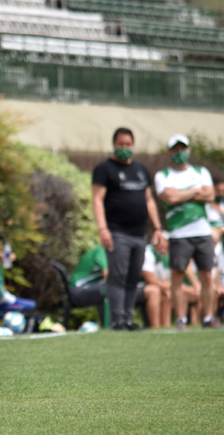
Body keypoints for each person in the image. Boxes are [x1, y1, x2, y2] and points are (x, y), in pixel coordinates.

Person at [92, 127, 162, 330]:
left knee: (133, 278)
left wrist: (157, 228)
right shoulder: (105, 169)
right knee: (118, 276)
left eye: (128, 145)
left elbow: (149, 201)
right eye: (121, 145)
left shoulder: (140, 170)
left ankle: (128, 319)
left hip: (139, 233)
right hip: (117, 232)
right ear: (114, 144)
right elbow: (97, 200)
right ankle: (117, 321)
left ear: (133, 145)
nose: (125, 148)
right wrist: (102, 228)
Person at [155, 134, 218, 329]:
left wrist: (181, 193)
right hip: (178, 234)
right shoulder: (163, 176)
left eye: (183, 149)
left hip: (202, 231)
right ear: (169, 153)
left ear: (188, 150)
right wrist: (194, 191)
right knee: (177, 275)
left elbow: (209, 194)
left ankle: (208, 318)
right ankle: (181, 319)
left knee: (207, 275)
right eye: (175, 149)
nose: (179, 153)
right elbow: (169, 199)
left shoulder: (201, 171)